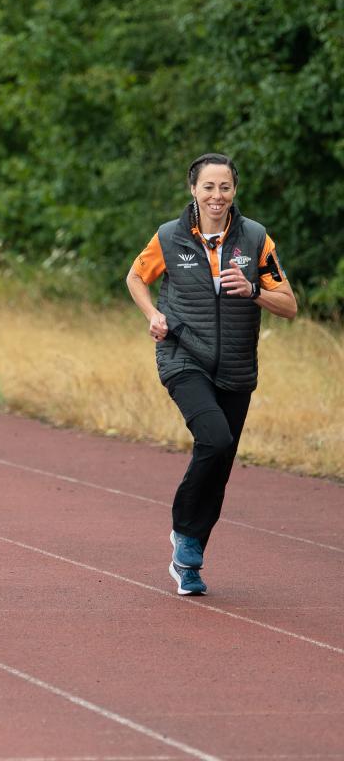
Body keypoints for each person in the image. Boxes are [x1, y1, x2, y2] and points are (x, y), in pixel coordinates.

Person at [126, 153, 296, 596]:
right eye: (208, 187)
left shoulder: (256, 238)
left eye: (224, 187)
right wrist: (153, 314)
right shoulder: (170, 236)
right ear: (193, 190)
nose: (216, 196)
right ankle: (183, 532)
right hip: (183, 355)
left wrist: (255, 290)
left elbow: (290, 305)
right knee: (215, 440)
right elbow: (135, 277)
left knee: (220, 465)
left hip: (237, 368)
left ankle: (189, 560)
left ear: (234, 191)